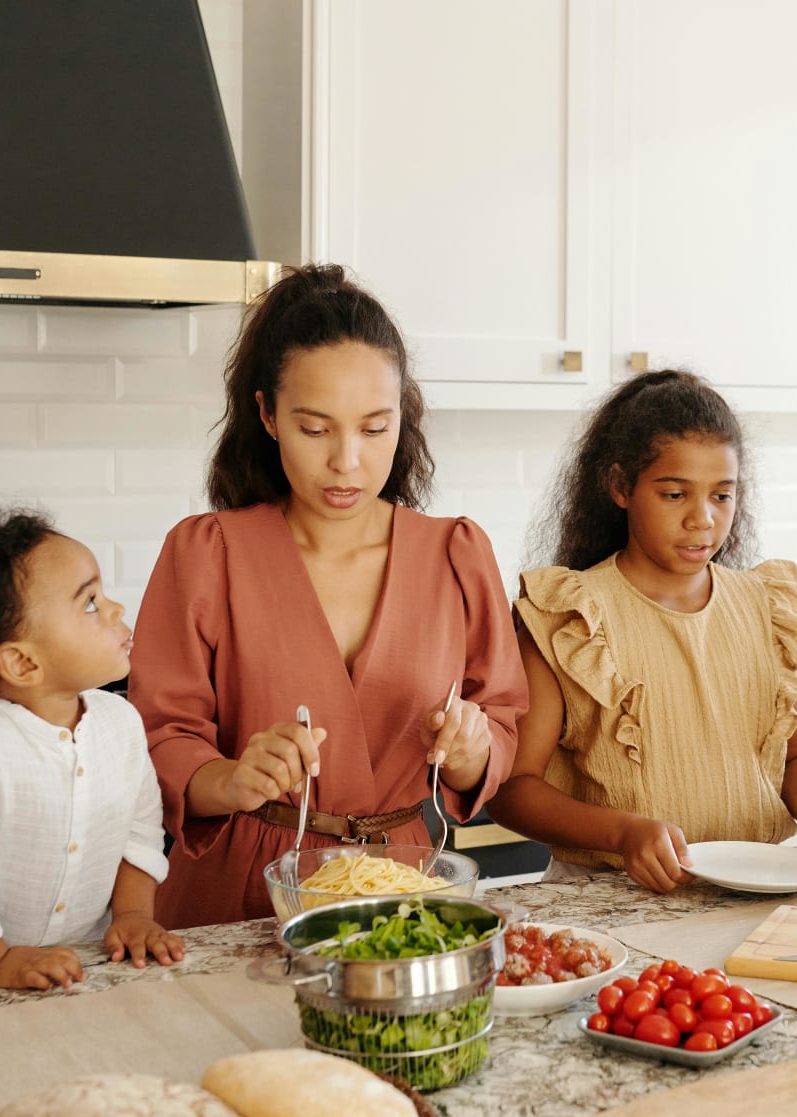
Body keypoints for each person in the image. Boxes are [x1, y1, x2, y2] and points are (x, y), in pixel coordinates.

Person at [129, 265, 528, 927]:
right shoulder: (207, 553)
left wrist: (469, 752)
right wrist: (229, 778)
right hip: (239, 896)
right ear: (268, 415)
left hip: (404, 892)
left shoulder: (456, 553)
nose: (347, 461)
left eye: (375, 429)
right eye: (316, 429)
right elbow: (159, 737)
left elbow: (501, 723)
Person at [485, 369, 797, 891]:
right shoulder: (569, 616)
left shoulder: (767, 608)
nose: (703, 519)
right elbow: (511, 789)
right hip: (612, 899)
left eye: (722, 496)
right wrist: (623, 833)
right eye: (674, 495)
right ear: (621, 486)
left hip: (754, 890)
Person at [0, 509, 181, 989]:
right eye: (89, 602)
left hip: (78, 967)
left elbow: (140, 830)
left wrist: (132, 914)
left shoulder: (121, 723)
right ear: (23, 662)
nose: (115, 610)